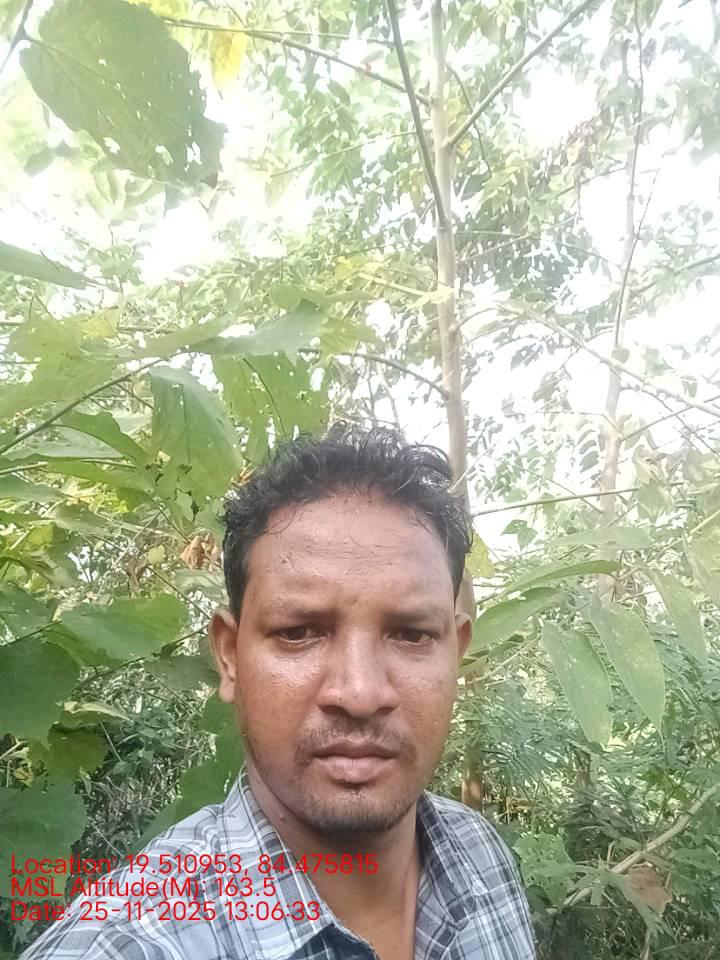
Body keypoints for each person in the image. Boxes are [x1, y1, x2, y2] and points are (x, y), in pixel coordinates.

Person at [20, 424, 535, 960]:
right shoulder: (124, 945)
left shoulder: (478, 854)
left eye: (411, 634)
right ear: (229, 656)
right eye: (299, 632)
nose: (360, 693)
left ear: (455, 655)